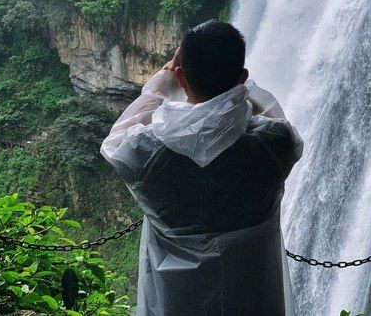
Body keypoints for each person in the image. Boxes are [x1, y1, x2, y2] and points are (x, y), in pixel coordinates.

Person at [100, 20, 303, 315]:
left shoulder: (146, 153)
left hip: (177, 301)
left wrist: (159, 87)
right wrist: (243, 88)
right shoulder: (273, 146)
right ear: (242, 77)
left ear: (181, 77)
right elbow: (277, 120)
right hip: (255, 299)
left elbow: (114, 142)